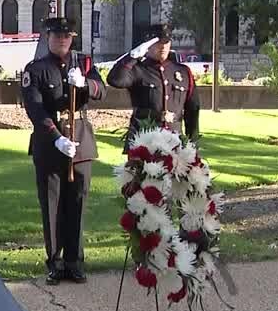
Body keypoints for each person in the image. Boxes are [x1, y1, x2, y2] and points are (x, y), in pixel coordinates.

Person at [21, 17, 105, 285]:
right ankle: (55, 262)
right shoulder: (35, 70)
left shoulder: (84, 64)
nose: (62, 40)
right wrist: (56, 137)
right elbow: (35, 108)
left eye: (67, 36)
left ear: (72, 38)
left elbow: (101, 90)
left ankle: (74, 261)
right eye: (57, 36)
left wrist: (84, 85)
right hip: (51, 144)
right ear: (48, 37)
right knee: (52, 205)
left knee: (77, 205)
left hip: (80, 142)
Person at [106, 23, 201, 149]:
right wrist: (131, 57)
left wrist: (192, 144)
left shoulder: (183, 72)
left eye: (166, 42)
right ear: (147, 45)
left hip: (174, 141)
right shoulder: (137, 69)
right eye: (157, 43)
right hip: (143, 141)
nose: (163, 47)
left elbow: (192, 110)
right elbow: (115, 80)